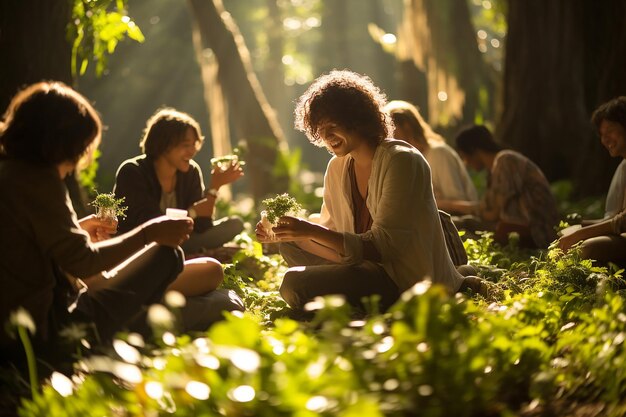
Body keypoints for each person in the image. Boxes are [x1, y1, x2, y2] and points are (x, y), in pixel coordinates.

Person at [0, 82, 242, 363]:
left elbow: (30, 242)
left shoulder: (12, 173)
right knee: (168, 256)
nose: (78, 159)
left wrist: (78, 229)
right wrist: (148, 234)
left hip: (30, 322)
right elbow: (83, 262)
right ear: (60, 142)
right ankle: (161, 316)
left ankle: (193, 306)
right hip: (48, 333)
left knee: (215, 275)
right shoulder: (40, 181)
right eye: (80, 147)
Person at [255, 70, 483, 314]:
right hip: (360, 266)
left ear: (358, 119)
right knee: (291, 248)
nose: (326, 136)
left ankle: (453, 280)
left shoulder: (402, 160)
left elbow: (385, 247)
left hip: (400, 277)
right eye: (320, 129)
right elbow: (332, 230)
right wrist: (288, 233)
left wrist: (310, 230)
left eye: (333, 125)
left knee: (294, 283)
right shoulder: (338, 166)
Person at [114, 107, 244, 255]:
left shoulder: (191, 172)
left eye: (194, 144)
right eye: (186, 145)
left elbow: (202, 227)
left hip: (182, 241)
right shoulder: (132, 171)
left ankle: (185, 252)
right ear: (164, 143)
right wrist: (192, 212)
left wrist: (215, 187)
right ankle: (188, 253)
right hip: (142, 246)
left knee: (235, 224)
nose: (192, 151)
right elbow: (149, 225)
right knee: (163, 247)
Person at [449, 125, 558, 249]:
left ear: (473, 149)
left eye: (464, 157)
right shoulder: (494, 170)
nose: (466, 163)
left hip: (537, 232)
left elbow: (493, 212)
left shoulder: (505, 160)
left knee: (460, 224)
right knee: (461, 222)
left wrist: (453, 206)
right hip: (521, 229)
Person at [558, 97, 626, 263]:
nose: (605, 139)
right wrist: (580, 225)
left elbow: (622, 222)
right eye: (602, 135)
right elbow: (615, 218)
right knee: (567, 232)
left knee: (588, 247)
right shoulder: (623, 166)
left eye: (610, 130)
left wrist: (581, 233)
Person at [384, 100, 478, 213]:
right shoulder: (407, 161)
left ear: (407, 126)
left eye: (391, 128)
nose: (388, 135)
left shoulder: (438, 153)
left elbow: (461, 203)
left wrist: (420, 201)